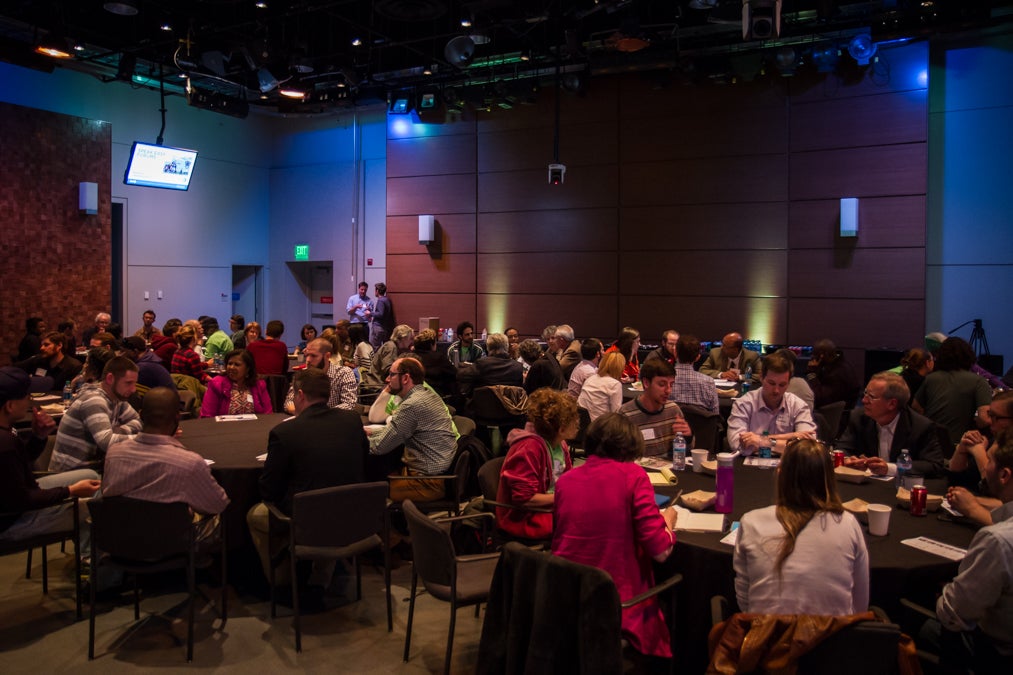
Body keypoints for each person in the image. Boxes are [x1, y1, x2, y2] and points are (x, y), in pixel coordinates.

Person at [552, 413, 678, 662]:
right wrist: (668, 522)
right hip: (616, 601)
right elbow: (660, 551)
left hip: (562, 594)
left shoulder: (565, 481)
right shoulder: (633, 476)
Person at [248, 369, 368, 588]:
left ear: (300, 395)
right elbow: (364, 461)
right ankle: (321, 572)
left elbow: (269, 490)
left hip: (308, 520)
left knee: (256, 514)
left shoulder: (285, 433)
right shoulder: (352, 421)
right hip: (353, 515)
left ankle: (281, 582)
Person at [734, 438, 869, 615]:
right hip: (832, 639)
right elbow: (860, 606)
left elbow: (746, 604)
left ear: (780, 474)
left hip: (766, 638)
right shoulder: (848, 523)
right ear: (829, 478)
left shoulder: (750, 521)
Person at [932, 429, 1013, 671]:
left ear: (1004, 475)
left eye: (989, 462)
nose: (985, 468)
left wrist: (941, 590)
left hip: (996, 656)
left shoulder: (997, 540)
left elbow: (954, 615)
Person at [0, 367, 101, 551]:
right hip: (10, 522)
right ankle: (90, 564)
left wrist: (38, 437)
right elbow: (23, 500)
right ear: (9, 405)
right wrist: (70, 491)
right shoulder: (4, 442)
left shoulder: (7, 431)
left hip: (21, 498)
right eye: (26, 397)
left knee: (91, 476)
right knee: (96, 507)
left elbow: (18, 466)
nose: (29, 402)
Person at [103, 387, 229, 517]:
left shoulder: (113, 453)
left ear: (140, 415)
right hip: (175, 535)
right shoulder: (189, 463)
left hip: (119, 533)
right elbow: (217, 505)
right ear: (177, 418)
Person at [366, 357, 457, 502]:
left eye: (392, 374)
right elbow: (398, 431)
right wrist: (372, 432)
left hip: (427, 482)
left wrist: (355, 440)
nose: (388, 380)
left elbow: (379, 446)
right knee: (382, 467)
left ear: (406, 378)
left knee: (371, 487)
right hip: (435, 472)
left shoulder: (411, 405)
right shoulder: (427, 395)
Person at [497, 388, 578, 541]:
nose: (577, 424)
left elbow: (568, 480)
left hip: (550, 509)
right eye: (574, 421)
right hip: (526, 518)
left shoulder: (561, 445)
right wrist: (567, 497)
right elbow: (525, 499)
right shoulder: (529, 448)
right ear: (561, 428)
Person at [837, 372, 944, 478]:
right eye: (865, 393)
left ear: (892, 404)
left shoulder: (920, 426)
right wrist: (848, 459)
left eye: (871, 397)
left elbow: (934, 465)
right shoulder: (858, 417)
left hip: (900, 488)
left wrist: (890, 468)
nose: (864, 400)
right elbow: (842, 448)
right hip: (866, 485)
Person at [49, 356, 142, 472]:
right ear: (110, 379)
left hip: (92, 469)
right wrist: (144, 439)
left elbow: (138, 421)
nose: (133, 389)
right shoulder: (94, 400)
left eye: (135, 383)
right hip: (71, 475)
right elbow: (107, 442)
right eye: (128, 383)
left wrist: (120, 431)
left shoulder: (117, 399)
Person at [727, 354, 816, 455]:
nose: (776, 390)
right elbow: (737, 444)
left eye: (782, 385)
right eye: (771, 383)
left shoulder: (798, 405)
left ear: (788, 383)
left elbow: (808, 447)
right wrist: (792, 436)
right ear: (761, 378)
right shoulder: (744, 403)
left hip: (787, 465)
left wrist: (762, 441)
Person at [946, 391, 1013, 526]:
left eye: (996, 417)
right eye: (990, 414)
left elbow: (993, 490)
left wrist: (979, 452)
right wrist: (962, 449)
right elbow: (955, 478)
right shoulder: (993, 439)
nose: (989, 422)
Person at [914, 336, 991, 447]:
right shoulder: (978, 381)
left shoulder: (931, 378)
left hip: (929, 443)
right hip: (959, 445)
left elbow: (916, 407)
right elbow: (984, 419)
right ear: (968, 355)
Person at [619, 359, 692, 458]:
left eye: (671, 384)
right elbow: (619, 458)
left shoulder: (673, 410)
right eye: (662, 384)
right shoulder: (626, 414)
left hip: (668, 470)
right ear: (646, 383)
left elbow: (684, 454)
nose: (668, 390)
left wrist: (687, 438)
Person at [282, 338, 357, 413]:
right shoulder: (302, 374)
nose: (308, 360)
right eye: (307, 355)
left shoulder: (344, 373)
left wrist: (319, 415)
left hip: (332, 421)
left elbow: (349, 404)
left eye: (313, 356)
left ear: (327, 356)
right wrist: (304, 414)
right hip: (306, 419)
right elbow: (289, 402)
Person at [200, 349, 273, 417]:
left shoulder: (259, 385)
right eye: (230, 363)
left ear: (248, 368)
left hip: (254, 428)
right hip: (222, 428)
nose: (231, 367)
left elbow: (268, 414)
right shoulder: (216, 384)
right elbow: (207, 416)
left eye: (237, 364)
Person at [670, 334, 720, 415]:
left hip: (670, 426)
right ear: (698, 357)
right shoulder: (708, 382)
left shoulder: (663, 381)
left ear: (675, 353)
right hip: (702, 427)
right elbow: (714, 415)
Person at [14, 331, 83, 390]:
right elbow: (15, 369)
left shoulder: (74, 367)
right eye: (42, 345)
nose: (42, 348)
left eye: (46, 345)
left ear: (59, 346)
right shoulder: (37, 360)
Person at [805, 338, 861, 410]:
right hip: (834, 410)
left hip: (833, 415)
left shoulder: (837, 374)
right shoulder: (838, 364)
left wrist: (811, 373)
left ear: (821, 356)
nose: (813, 359)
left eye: (815, 355)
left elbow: (819, 398)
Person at [408, 329, 458, 401]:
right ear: (432, 344)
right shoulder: (438, 357)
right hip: (436, 397)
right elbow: (454, 372)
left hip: (412, 396)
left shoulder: (410, 356)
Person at [577, 351, 626, 421]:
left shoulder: (590, 379)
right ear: (620, 368)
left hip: (582, 423)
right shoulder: (615, 384)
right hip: (600, 426)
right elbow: (616, 415)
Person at [370, 282, 395, 349]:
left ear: (377, 290)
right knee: (385, 348)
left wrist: (370, 313)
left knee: (375, 347)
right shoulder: (387, 300)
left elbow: (380, 314)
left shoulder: (380, 300)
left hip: (378, 327)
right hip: (385, 327)